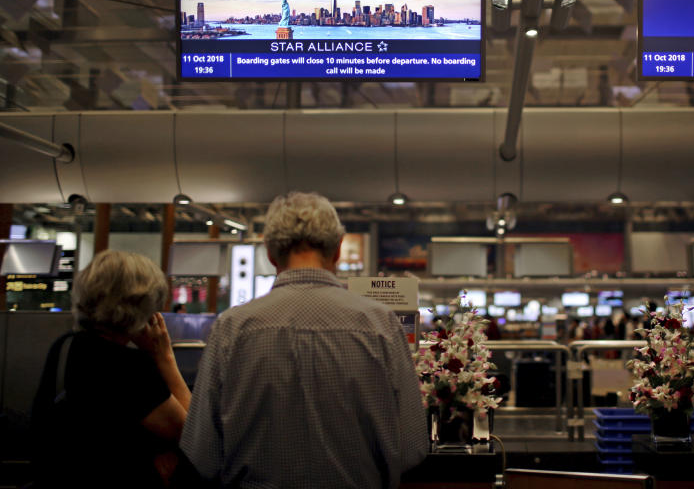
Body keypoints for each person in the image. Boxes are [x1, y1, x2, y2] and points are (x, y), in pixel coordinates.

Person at [181, 192, 428, 488]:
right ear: (338, 249)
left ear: (270, 254)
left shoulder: (231, 329)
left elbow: (202, 455)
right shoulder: (381, 325)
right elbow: (412, 448)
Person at [32, 250, 192, 488]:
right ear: (143, 306)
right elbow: (192, 434)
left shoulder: (64, 347)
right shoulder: (129, 367)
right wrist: (164, 357)